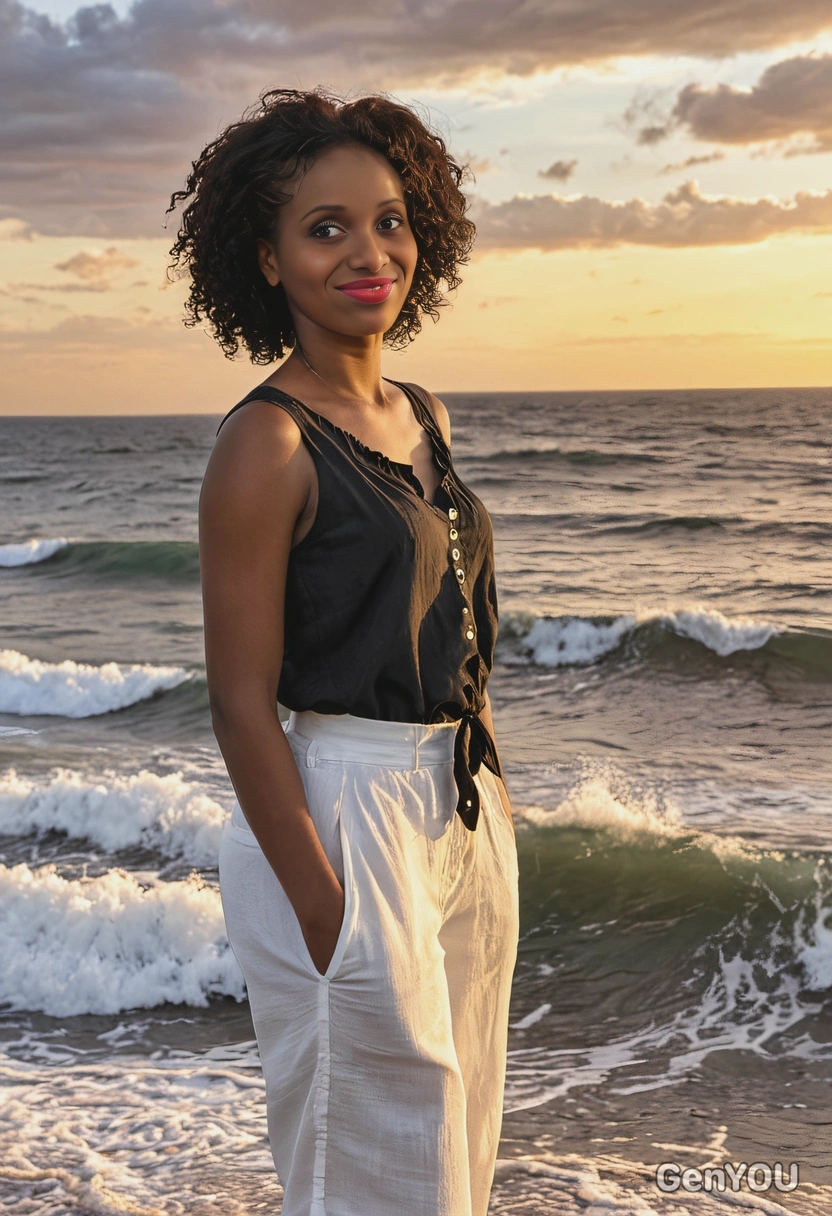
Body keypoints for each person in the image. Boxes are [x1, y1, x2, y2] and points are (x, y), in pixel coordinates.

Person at [168, 87, 520, 1216]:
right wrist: (325, 904)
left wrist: (490, 799)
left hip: (454, 807)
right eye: (325, 228)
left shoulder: (426, 412)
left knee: (453, 1151)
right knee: (367, 1166)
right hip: (339, 808)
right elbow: (238, 702)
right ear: (265, 260)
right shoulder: (265, 443)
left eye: (388, 219)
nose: (370, 252)